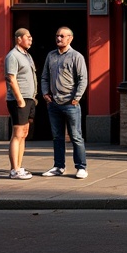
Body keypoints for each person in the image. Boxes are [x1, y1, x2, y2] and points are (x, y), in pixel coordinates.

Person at [40, 26, 88, 179]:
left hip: (70, 103)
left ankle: (81, 167)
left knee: (76, 136)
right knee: (57, 137)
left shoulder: (76, 56)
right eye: (57, 36)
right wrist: (45, 93)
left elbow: (83, 79)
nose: (59, 38)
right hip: (53, 103)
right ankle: (58, 166)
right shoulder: (51, 56)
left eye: (62, 36)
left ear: (70, 38)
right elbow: (44, 77)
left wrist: (77, 97)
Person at [4, 27, 38, 180]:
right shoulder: (12, 56)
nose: (30, 39)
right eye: (28, 37)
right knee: (17, 134)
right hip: (19, 100)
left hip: (29, 99)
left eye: (31, 37)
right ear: (19, 39)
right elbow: (11, 78)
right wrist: (20, 100)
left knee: (24, 134)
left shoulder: (27, 56)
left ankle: (19, 166)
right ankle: (14, 169)